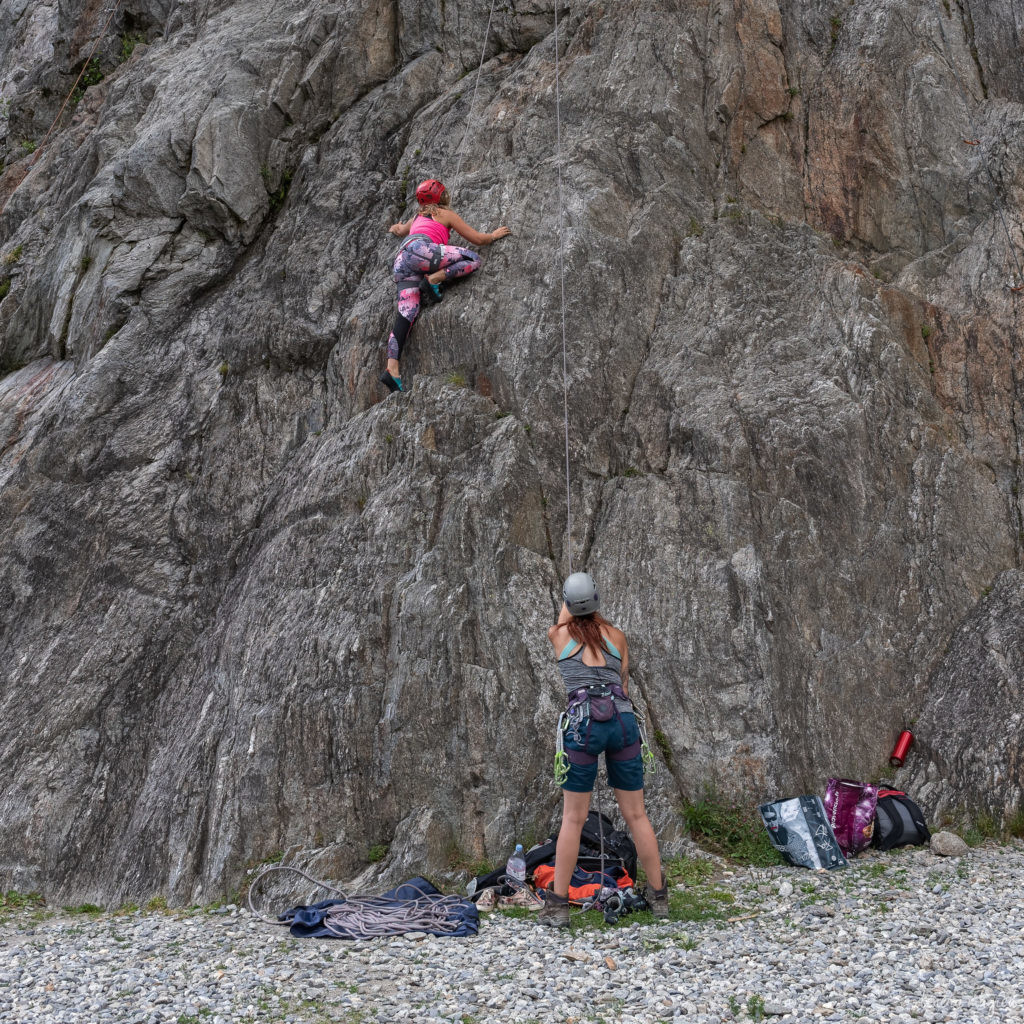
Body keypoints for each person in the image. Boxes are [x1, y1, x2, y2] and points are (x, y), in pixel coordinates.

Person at [538, 571, 669, 928]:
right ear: (597, 600)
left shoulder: (558, 635)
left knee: (573, 819)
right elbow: (623, 684)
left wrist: (569, 603)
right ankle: (659, 898)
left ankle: (558, 905)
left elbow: (565, 617)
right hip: (622, 722)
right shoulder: (618, 637)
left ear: (566, 603)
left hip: (583, 726)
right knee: (637, 815)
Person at [380, 179, 510, 393]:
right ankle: (434, 279)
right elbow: (476, 239)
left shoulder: (416, 217)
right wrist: (493, 236)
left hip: (402, 259)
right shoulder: (445, 214)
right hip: (423, 251)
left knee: (406, 314)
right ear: (441, 197)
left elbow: (402, 229)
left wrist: (395, 228)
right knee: (472, 259)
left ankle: (392, 369)